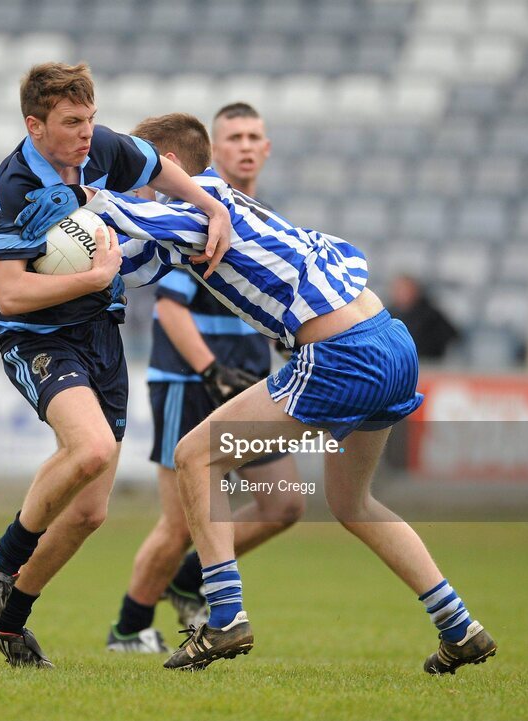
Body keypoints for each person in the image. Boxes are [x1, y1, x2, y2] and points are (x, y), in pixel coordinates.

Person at [19, 113, 496, 676]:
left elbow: (114, 210)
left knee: (195, 454)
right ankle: (459, 626)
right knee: (353, 503)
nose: (139, 184)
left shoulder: (198, 206)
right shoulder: (221, 210)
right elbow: (141, 260)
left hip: (341, 353)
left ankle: (223, 616)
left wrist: (62, 190)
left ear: (168, 167)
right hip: (392, 340)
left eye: (144, 171)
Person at [0, 62, 231, 669]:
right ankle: (0, 564)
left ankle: (9, 622)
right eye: (70, 123)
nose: (87, 133)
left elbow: (160, 166)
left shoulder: (99, 146)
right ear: (35, 126)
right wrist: (91, 277)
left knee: (89, 512)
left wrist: (210, 210)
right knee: (88, 450)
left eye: (89, 118)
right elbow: (9, 294)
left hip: (100, 338)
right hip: (38, 338)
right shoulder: (15, 186)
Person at [107, 104, 305, 653]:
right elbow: (171, 309)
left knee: (284, 502)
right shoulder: (195, 211)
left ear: (266, 148)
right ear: (213, 151)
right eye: (233, 137)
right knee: (179, 523)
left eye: (254, 136)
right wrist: (211, 369)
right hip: (190, 383)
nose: (244, 145)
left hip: (248, 380)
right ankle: (127, 628)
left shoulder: (259, 215)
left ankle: (190, 578)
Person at [387, 275, 459, 361]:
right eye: (399, 290)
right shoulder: (388, 315)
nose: (403, 294)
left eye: (406, 290)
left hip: (427, 364)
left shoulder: (431, 314)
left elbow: (451, 335)